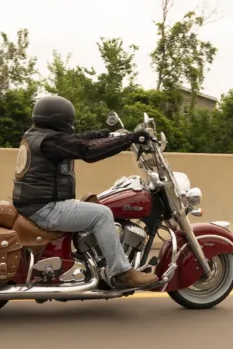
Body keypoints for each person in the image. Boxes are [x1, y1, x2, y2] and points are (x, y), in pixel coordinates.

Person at [12, 95, 159, 288]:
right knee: (103, 214)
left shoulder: (38, 136)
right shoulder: (49, 140)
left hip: (36, 204)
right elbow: (87, 151)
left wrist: (104, 134)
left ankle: (98, 264)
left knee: (95, 206)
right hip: (45, 207)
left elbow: (75, 141)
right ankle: (121, 273)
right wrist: (131, 139)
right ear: (60, 119)